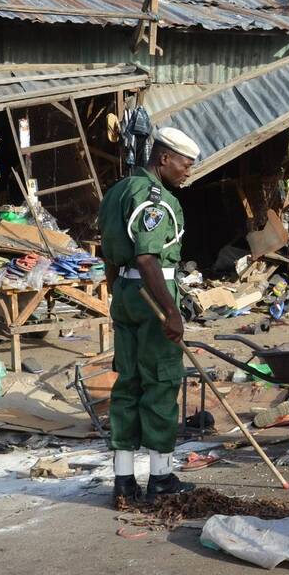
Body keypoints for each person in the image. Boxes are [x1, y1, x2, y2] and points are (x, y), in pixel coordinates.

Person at [98, 126, 201, 504]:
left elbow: (109, 253)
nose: (188, 171)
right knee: (160, 382)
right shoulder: (154, 197)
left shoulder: (117, 191)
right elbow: (147, 258)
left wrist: (116, 293)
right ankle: (160, 480)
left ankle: (123, 481)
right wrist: (171, 312)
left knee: (127, 383)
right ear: (164, 159)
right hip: (152, 294)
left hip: (125, 293)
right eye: (185, 164)